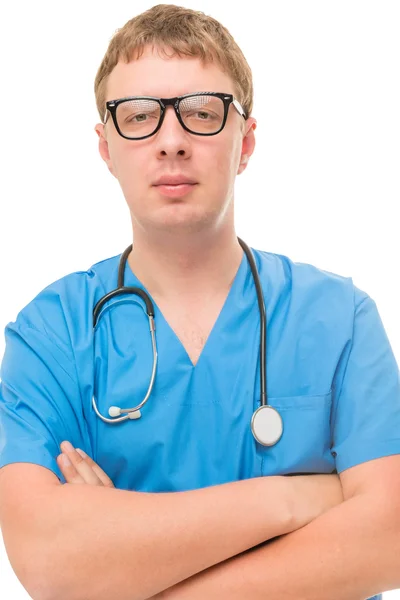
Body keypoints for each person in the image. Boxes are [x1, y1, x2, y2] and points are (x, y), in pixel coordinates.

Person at [0, 4, 399, 600]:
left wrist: (129, 570)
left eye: (202, 114)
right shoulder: (51, 335)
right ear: (105, 148)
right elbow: (50, 560)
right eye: (137, 117)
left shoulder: (339, 320)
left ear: (246, 141)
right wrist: (299, 497)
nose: (171, 142)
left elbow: (388, 537)